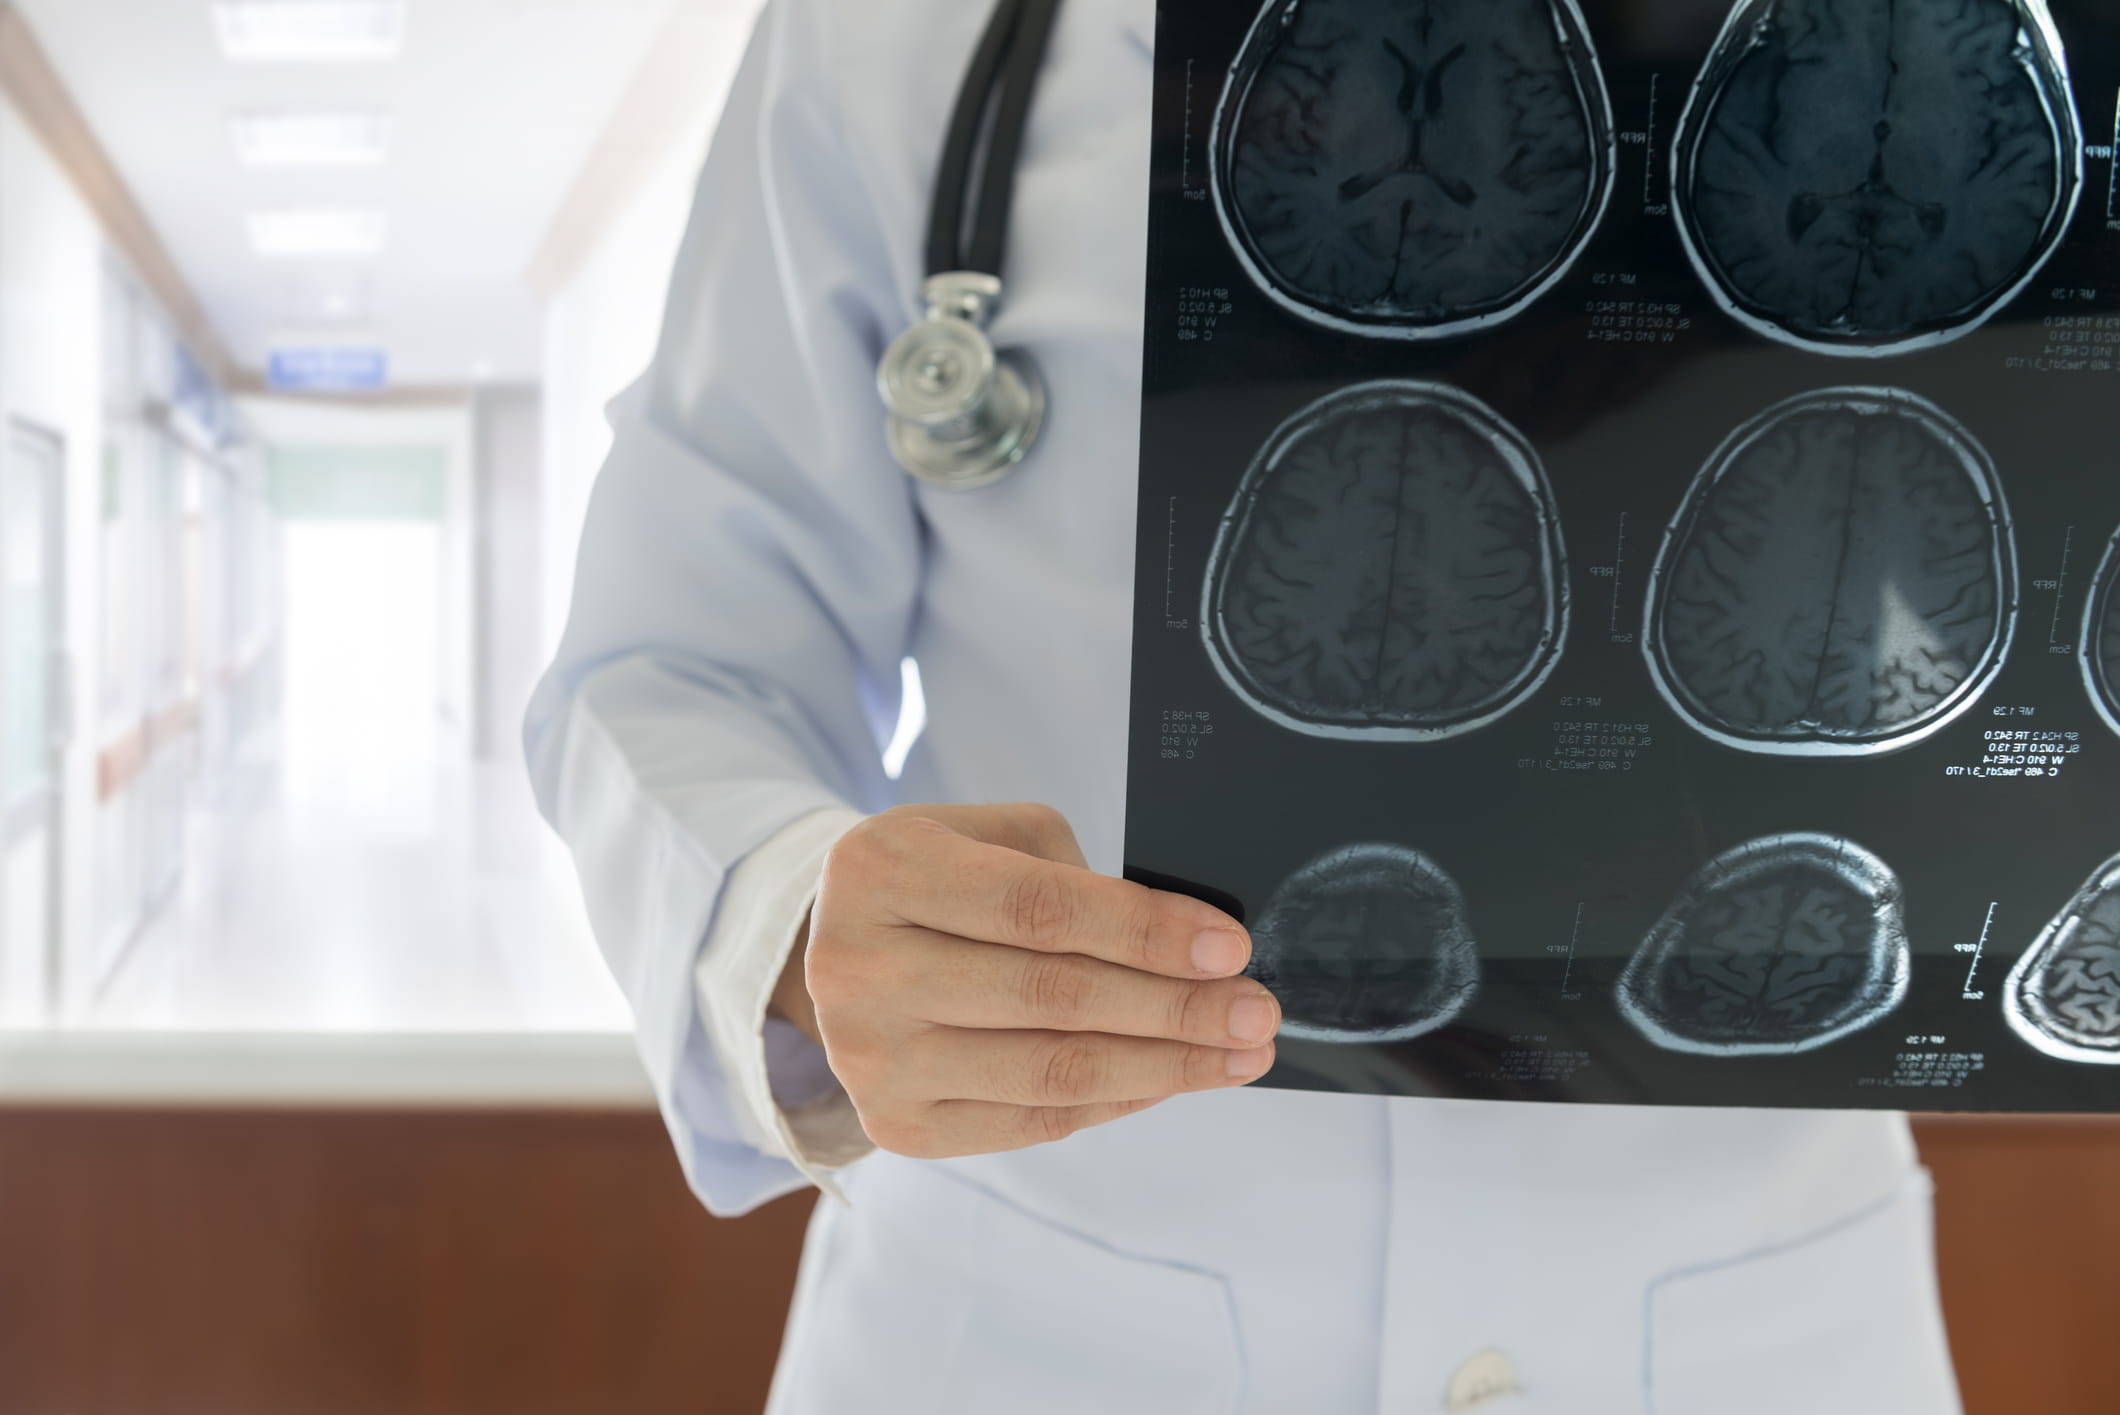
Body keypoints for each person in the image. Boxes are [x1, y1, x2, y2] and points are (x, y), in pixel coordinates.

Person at [525, 0, 1964, 1409]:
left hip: (1763, 1317)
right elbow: (673, 659)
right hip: (1040, 1320)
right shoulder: (904, 29)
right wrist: (790, 918)